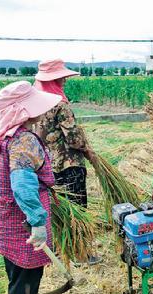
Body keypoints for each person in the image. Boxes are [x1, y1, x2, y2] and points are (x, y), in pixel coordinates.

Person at [0, 81, 62, 294]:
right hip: (22, 222)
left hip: (3, 216)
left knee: (15, 272)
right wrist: (37, 222)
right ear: (23, 111)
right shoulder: (23, 139)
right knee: (27, 275)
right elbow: (22, 185)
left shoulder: (0, 133)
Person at [33, 59, 101, 265]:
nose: (64, 82)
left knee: (60, 212)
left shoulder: (35, 104)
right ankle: (81, 255)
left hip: (48, 170)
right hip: (69, 166)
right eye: (60, 78)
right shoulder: (59, 105)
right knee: (77, 211)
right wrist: (87, 148)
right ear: (53, 80)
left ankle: (65, 253)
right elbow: (74, 139)